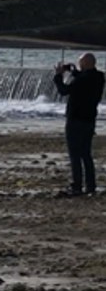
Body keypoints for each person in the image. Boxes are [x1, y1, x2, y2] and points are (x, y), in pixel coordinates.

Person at [53, 53, 105, 197]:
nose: (80, 66)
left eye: (81, 63)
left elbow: (63, 90)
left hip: (75, 120)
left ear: (86, 64)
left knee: (75, 155)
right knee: (86, 154)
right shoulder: (99, 77)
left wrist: (58, 76)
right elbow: (84, 78)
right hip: (89, 120)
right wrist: (73, 71)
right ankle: (91, 186)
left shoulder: (82, 80)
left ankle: (77, 186)